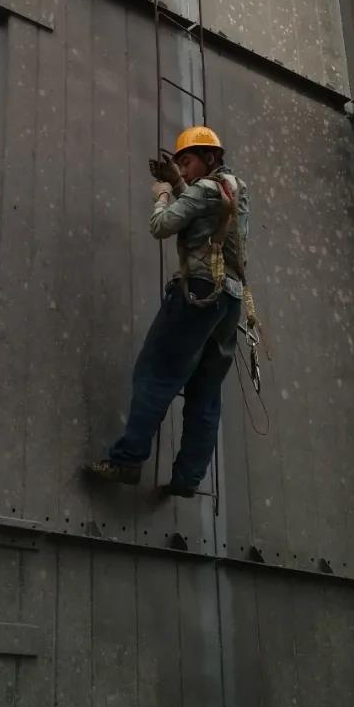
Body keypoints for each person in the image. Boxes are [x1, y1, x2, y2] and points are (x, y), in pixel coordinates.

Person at [85, 126, 249, 497]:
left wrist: (162, 194)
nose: (183, 169)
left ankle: (128, 460)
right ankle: (187, 480)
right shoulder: (236, 187)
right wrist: (178, 182)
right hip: (230, 300)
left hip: (198, 292)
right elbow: (205, 215)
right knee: (205, 393)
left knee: (155, 374)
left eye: (187, 162)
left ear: (210, 158)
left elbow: (162, 226)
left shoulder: (204, 189)